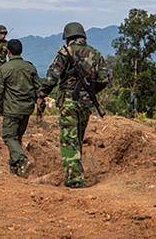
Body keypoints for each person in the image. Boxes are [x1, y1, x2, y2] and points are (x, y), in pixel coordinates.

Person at [38, 22, 108, 188]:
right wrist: (90, 90)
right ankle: (76, 172)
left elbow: (52, 78)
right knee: (78, 138)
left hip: (69, 102)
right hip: (86, 104)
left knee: (69, 141)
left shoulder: (66, 52)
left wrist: (41, 95)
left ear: (68, 37)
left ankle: (75, 180)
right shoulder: (96, 54)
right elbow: (105, 78)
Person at [0, 39, 40, 177]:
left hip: (12, 109)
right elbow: (38, 88)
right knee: (17, 138)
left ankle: (22, 160)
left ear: (8, 52)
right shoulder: (30, 67)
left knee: (9, 137)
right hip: (27, 109)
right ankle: (17, 171)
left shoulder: (5, 69)